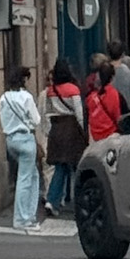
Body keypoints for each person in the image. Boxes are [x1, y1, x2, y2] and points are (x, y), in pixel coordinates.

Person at [0, 65, 43, 233]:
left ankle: (28, 216)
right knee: (26, 179)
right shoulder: (26, 97)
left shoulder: (4, 98)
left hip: (10, 139)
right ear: (23, 80)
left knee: (31, 176)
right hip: (25, 139)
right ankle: (23, 218)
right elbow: (36, 119)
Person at [43, 58, 86, 217]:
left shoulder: (50, 91)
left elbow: (47, 113)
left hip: (56, 129)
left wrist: (48, 132)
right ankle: (79, 202)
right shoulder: (73, 89)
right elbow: (79, 113)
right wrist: (84, 132)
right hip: (71, 130)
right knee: (76, 166)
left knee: (59, 168)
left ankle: (51, 200)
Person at [86, 61, 123, 143]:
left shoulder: (90, 97)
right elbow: (118, 117)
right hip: (111, 136)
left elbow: (89, 119)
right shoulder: (114, 94)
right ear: (112, 77)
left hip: (95, 138)